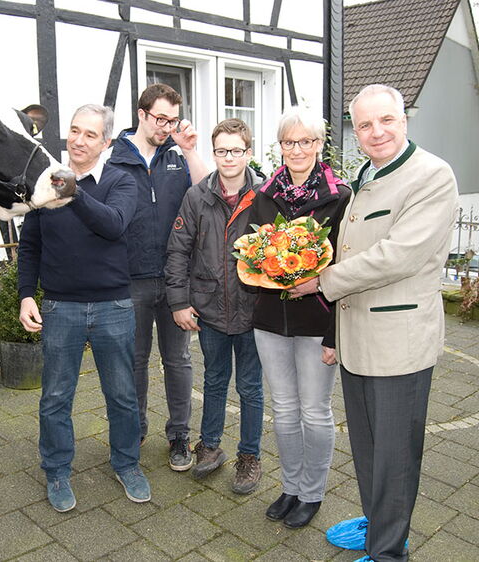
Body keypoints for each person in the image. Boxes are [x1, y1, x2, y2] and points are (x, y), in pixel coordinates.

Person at [289, 84, 458, 561]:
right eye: (364, 125)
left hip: (398, 341)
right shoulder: (366, 173)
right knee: (367, 446)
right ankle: (378, 522)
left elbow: (399, 256)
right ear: (355, 132)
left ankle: (389, 551)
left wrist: (322, 281)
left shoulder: (431, 175)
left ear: (404, 120)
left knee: (396, 456)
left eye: (385, 120)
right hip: (358, 336)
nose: (375, 131)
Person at [18, 104, 150, 512]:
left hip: (113, 306)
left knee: (123, 395)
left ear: (106, 142)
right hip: (61, 308)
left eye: (90, 134)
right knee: (56, 398)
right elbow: (30, 246)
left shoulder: (122, 181)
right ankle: (57, 471)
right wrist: (26, 294)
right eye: (74, 131)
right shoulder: (45, 183)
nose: (78, 140)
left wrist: (71, 192)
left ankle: (127, 463)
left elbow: (112, 223)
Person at [251, 106, 351, 528]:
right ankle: (290, 487)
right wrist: (267, 266)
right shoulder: (264, 193)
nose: (297, 149)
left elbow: (348, 262)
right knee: (285, 409)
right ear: (280, 147)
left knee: (314, 410)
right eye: (289, 142)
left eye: (306, 141)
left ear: (318, 144)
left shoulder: (339, 195)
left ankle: (312, 493)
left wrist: (334, 335)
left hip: (317, 319)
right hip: (270, 319)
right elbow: (252, 250)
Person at [106, 83, 208, 471]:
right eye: (159, 119)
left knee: (178, 359)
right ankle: (135, 428)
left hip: (175, 278)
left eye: (171, 120)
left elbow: (205, 190)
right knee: (133, 360)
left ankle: (179, 435)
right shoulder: (113, 156)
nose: (165, 127)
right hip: (128, 278)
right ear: (141, 114)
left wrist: (189, 148)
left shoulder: (176, 156)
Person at [164, 118, 265, 493]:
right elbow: (177, 252)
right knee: (215, 380)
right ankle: (209, 446)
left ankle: (250, 456)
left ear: (248, 152)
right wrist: (179, 301)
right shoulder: (197, 197)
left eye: (236, 150)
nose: (228, 158)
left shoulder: (265, 195)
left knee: (251, 386)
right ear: (214, 152)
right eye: (221, 151)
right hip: (209, 309)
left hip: (254, 310)